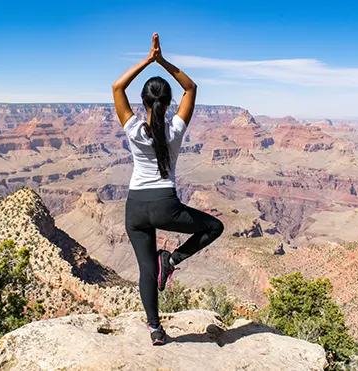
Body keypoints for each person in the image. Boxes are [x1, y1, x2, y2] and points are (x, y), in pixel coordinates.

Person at [112, 32, 224, 346]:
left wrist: (147, 60)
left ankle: (155, 330)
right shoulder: (175, 129)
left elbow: (117, 87)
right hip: (165, 205)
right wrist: (162, 61)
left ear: (143, 102)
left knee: (146, 269)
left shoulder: (133, 128)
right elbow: (192, 87)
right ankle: (172, 261)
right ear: (169, 102)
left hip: (135, 208)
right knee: (214, 227)